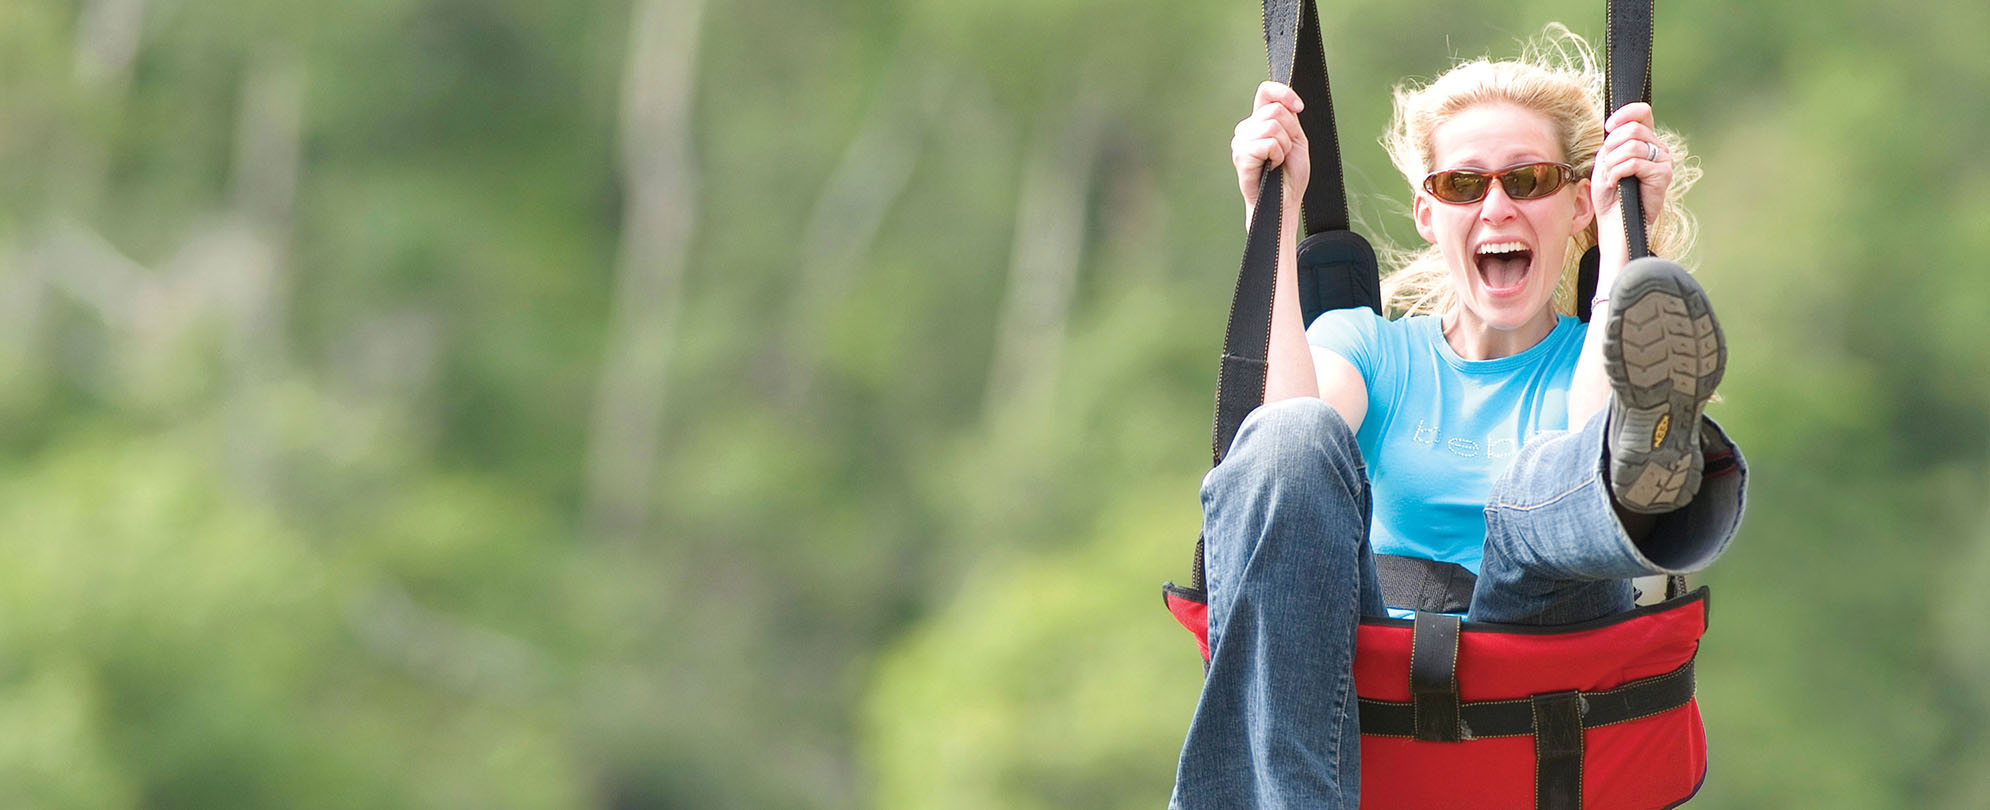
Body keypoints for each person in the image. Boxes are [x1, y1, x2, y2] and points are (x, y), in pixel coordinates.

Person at [1169, 28, 1748, 809]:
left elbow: (1584, 437)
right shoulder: (1370, 348)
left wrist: (1623, 233)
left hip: (1545, 648)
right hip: (1359, 686)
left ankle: (1642, 453)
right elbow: (1273, 456)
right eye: (1463, 186)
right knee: (1289, 435)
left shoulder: (1587, 363)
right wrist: (1271, 214)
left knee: (1554, 476)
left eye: (1530, 179)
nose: (1497, 206)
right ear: (1426, 212)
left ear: (1577, 202)